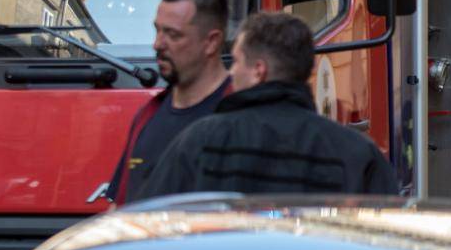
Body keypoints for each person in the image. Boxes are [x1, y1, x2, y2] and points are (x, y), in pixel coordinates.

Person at [136, 11, 398, 199]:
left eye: (236, 61)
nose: (231, 72)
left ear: (258, 70)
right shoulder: (357, 152)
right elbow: (383, 244)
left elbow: (153, 226)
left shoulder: (200, 141)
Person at [106, 0, 233, 204]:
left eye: (173, 35)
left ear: (212, 42)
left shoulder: (244, 116)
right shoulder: (148, 115)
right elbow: (120, 213)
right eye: (157, 30)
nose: (157, 44)